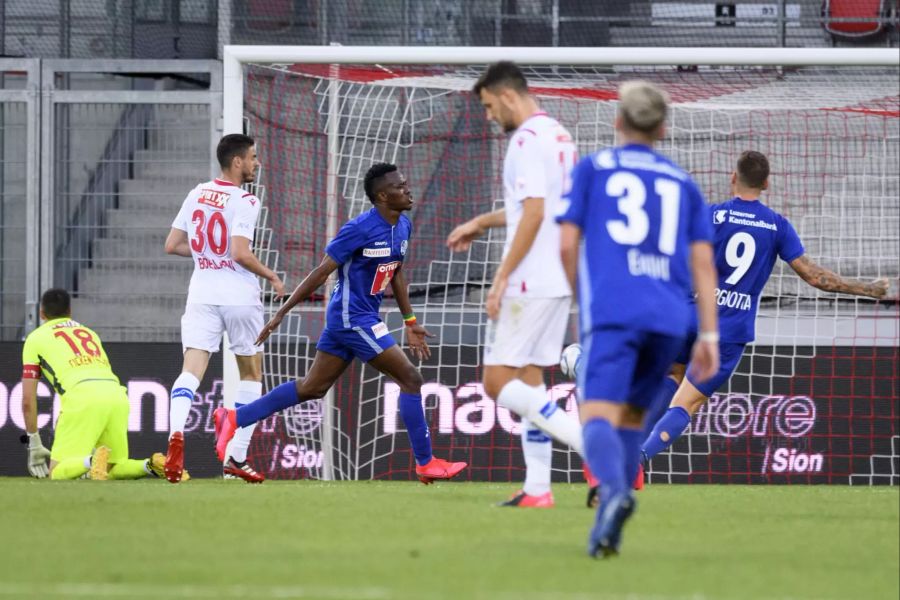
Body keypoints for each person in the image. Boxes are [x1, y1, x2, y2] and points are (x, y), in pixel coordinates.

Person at [213, 163, 467, 484]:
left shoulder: (402, 225)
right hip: (352, 319)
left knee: (312, 388)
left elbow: (396, 272)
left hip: (355, 319)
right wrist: (281, 313)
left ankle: (233, 417)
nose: (408, 190)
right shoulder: (359, 228)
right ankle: (425, 462)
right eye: (400, 187)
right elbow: (321, 272)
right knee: (411, 379)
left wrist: (410, 320)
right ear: (382, 196)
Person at [640, 150, 890, 462]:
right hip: (727, 331)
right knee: (687, 403)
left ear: (733, 177)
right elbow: (814, 276)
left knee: (672, 373)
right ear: (767, 183)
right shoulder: (776, 226)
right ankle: (639, 457)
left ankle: (628, 444)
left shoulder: (711, 215)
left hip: (692, 316)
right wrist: (867, 289)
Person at [558, 80, 720, 557]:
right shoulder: (682, 183)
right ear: (663, 128)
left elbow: (567, 243)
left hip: (615, 309)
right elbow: (704, 265)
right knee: (631, 419)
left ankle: (615, 494)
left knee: (596, 417)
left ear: (617, 121)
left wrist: (580, 298)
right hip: (670, 318)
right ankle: (609, 528)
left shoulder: (594, 168)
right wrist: (708, 332)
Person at [447, 61, 583, 508]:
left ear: (507, 96)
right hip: (559, 275)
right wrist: (483, 222)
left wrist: (501, 277)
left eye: (488, 107)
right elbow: (536, 208)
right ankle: (538, 488)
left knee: (495, 382)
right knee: (531, 380)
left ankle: (596, 449)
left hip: (530, 277)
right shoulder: (560, 135)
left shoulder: (524, 140)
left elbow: (536, 213)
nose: (489, 117)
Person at [164, 133, 285, 484]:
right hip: (239, 298)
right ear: (237, 162)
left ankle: (175, 434)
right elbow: (240, 253)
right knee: (251, 375)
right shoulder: (246, 200)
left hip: (201, 294)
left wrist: (205, 254)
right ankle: (236, 458)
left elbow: (172, 245)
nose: (256, 163)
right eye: (253, 157)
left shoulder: (197, 192)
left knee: (191, 370)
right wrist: (272, 276)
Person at [21, 288, 190, 481]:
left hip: (82, 397)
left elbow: (27, 400)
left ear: (42, 313)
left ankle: (91, 461)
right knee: (113, 468)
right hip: (116, 395)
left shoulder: (35, 338)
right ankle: (152, 464)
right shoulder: (89, 332)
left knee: (56, 472)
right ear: (70, 311)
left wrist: (33, 441)